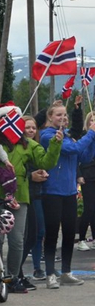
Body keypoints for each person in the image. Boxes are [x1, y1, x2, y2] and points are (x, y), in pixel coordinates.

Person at [0, 103, 62, 294]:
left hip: (19, 197)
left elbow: (46, 162)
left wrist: (55, 143)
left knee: (17, 240)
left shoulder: (27, 144)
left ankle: (11, 278)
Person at [38, 102, 95, 289]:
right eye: (58, 115)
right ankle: (49, 274)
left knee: (70, 233)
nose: (63, 118)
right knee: (52, 233)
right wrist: (91, 133)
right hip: (52, 191)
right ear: (50, 117)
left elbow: (83, 156)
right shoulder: (48, 135)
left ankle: (66, 272)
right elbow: (72, 150)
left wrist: (92, 141)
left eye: (65, 115)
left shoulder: (68, 135)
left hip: (70, 191)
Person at [19, 115, 49, 284]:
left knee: (39, 232)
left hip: (37, 193)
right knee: (26, 235)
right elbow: (17, 173)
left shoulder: (37, 147)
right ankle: (18, 270)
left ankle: (37, 267)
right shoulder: (18, 147)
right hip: (23, 194)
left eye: (33, 128)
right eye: (27, 127)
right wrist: (31, 176)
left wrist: (43, 173)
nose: (30, 130)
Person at [75, 107, 95, 252]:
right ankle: (81, 238)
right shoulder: (84, 137)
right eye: (92, 120)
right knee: (88, 208)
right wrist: (79, 174)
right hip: (87, 175)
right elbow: (78, 157)